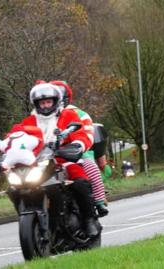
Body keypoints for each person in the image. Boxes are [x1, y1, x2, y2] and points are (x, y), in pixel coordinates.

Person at [7, 82, 98, 237]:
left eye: (48, 101)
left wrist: (77, 145)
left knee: (80, 182)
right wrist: (5, 148)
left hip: (63, 159)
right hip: (37, 163)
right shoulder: (29, 121)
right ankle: (28, 217)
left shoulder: (68, 115)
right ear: (36, 104)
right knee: (14, 187)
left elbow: (80, 133)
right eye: (42, 102)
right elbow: (15, 136)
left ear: (56, 101)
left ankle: (89, 220)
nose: (45, 105)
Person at [48, 80, 109, 217]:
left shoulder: (78, 113)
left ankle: (98, 202)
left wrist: (78, 145)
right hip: (48, 157)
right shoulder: (40, 116)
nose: (49, 102)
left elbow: (86, 131)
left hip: (77, 154)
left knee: (90, 169)